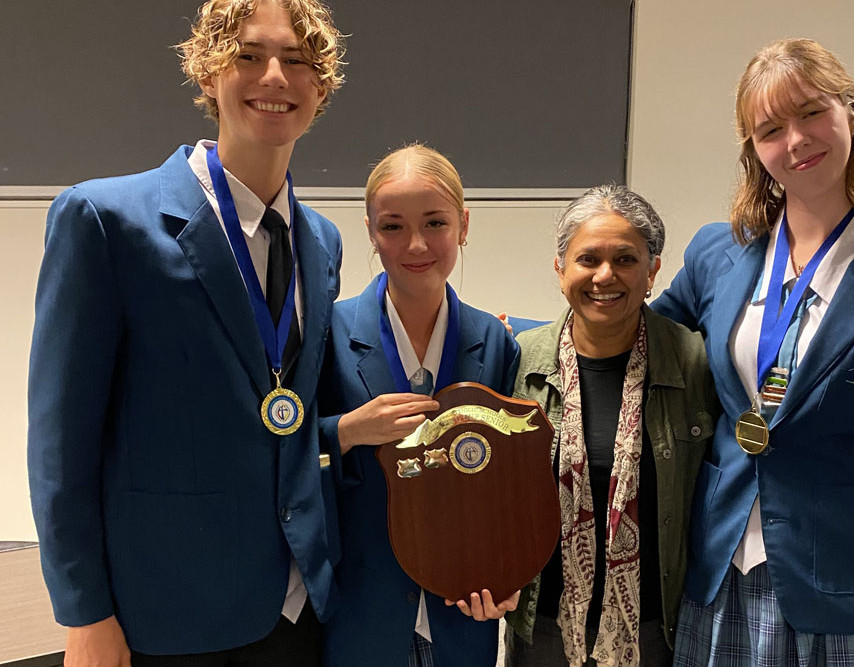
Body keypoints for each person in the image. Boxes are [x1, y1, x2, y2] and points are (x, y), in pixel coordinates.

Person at [27, 1, 345, 664]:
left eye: (297, 61)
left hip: (299, 608)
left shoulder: (322, 242)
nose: (275, 77)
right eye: (250, 56)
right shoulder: (107, 220)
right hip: (167, 616)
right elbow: (61, 439)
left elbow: (292, 414)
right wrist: (84, 612)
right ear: (207, 73)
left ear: (322, 85)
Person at [650, 38, 854, 667]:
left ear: (852, 112)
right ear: (754, 150)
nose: (795, 141)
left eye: (810, 113)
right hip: (723, 570)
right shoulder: (718, 255)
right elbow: (633, 340)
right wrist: (508, 338)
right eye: (770, 129)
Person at [319, 144, 521, 666]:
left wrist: (508, 572)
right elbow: (285, 456)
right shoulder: (327, 334)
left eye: (435, 223)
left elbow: (509, 486)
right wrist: (347, 431)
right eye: (392, 226)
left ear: (464, 224)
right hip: (362, 609)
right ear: (369, 229)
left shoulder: (494, 343)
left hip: (463, 610)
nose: (415, 244)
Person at [504, 185, 717, 666]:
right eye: (588, 259)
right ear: (560, 269)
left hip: (656, 631)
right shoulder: (518, 363)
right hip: (543, 628)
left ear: (652, 271)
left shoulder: (696, 363)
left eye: (625, 259)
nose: (605, 275)